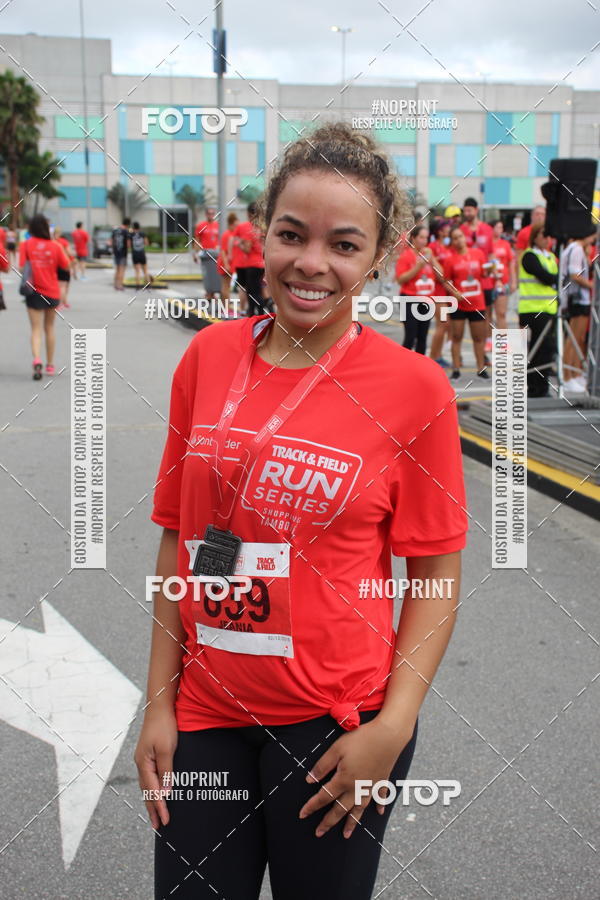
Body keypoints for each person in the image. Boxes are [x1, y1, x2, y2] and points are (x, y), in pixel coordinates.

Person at [135, 122, 468, 900]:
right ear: (263, 236)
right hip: (208, 712)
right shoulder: (208, 358)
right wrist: (158, 702)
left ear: (378, 258)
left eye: (344, 245)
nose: (310, 263)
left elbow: (436, 575)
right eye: (292, 234)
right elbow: (183, 539)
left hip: (334, 730)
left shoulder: (416, 391)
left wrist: (393, 728)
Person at [19, 214, 70, 379]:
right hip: (52, 291)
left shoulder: (26, 245)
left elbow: (21, 268)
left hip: (33, 292)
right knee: (49, 328)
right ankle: (50, 365)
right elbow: (66, 265)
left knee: (35, 329)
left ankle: (36, 359)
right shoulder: (55, 246)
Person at [441, 226, 488, 380]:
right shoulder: (450, 259)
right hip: (459, 304)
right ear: (452, 242)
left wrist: (492, 270)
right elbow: (445, 281)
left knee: (479, 337)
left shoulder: (478, 254)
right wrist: (453, 292)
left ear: (464, 237)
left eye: (460, 236)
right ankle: (456, 368)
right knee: (456, 336)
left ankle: (481, 368)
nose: (459, 240)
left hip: (477, 302)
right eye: (455, 238)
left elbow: (484, 273)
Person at [518, 223, 558, 398]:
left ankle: (542, 387)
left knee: (547, 350)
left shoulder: (550, 256)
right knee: (539, 348)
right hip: (532, 309)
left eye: (548, 235)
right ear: (534, 237)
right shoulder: (529, 256)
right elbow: (546, 277)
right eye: (543, 235)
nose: (547, 238)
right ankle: (534, 387)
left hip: (548, 309)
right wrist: (555, 278)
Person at [559, 227, 596, 393]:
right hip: (577, 297)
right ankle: (568, 375)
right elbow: (575, 275)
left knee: (578, 338)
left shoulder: (577, 249)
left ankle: (574, 372)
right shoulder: (576, 249)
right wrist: (592, 285)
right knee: (573, 338)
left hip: (579, 298)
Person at [395, 224, 440, 355]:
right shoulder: (406, 256)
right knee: (410, 337)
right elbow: (400, 279)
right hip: (409, 299)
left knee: (422, 338)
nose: (424, 241)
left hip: (426, 301)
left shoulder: (428, 254)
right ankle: (402, 367)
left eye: (426, 238)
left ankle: (419, 370)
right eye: (421, 237)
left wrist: (433, 260)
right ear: (413, 238)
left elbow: (441, 274)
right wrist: (418, 267)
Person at [460, 198, 495, 356]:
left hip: (485, 280)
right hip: (465, 282)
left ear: (476, 210)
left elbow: (492, 253)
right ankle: (458, 355)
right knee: (462, 318)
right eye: (465, 210)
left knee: (487, 314)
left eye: (470, 210)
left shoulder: (487, 229)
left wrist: (495, 271)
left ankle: (486, 348)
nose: (467, 213)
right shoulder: (461, 230)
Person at [231, 202, 265, 317]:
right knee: (258, 290)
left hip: (252, 264)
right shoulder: (261, 226)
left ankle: (254, 313)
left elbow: (247, 249)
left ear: (249, 214)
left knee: (252, 292)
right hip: (261, 263)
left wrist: (239, 244)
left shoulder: (248, 227)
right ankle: (256, 313)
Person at [428, 219, 454, 367]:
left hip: (445, 290)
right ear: (439, 231)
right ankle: (433, 356)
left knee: (445, 324)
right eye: (446, 227)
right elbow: (439, 272)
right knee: (443, 323)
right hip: (437, 290)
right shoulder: (433, 247)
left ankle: (438, 355)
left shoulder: (446, 247)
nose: (448, 229)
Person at [491, 219, 517, 331]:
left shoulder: (505, 244)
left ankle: (502, 341)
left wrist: (514, 281)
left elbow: (511, 263)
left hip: (503, 283)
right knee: (487, 315)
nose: (499, 230)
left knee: (501, 313)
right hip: (489, 283)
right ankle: (488, 339)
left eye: (501, 227)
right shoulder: (487, 244)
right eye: (497, 227)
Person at [194, 206, 220, 301]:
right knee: (207, 274)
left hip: (216, 254)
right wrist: (195, 253)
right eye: (209, 213)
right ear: (206, 214)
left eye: (213, 213)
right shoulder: (201, 226)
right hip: (205, 254)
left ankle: (213, 292)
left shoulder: (218, 225)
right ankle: (209, 292)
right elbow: (197, 240)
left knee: (215, 274)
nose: (211, 215)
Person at [217, 211, 238, 305]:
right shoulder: (227, 235)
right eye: (235, 225)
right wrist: (226, 264)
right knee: (226, 285)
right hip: (225, 263)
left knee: (226, 285)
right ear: (231, 224)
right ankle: (226, 306)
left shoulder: (231, 234)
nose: (237, 227)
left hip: (228, 263)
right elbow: (223, 252)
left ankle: (224, 305)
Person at [53, 227, 74, 308]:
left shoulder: (52, 242)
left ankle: (63, 301)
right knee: (64, 285)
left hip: (55, 265)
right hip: (64, 264)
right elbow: (70, 253)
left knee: (58, 285)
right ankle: (61, 303)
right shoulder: (64, 242)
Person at [112, 217, 130, 290]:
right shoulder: (125, 231)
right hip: (123, 253)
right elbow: (128, 244)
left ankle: (115, 284)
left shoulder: (115, 230)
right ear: (128, 224)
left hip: (116, 252)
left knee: (117, 269)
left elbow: (112, 241)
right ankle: (120, 285)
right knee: (122, 270)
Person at [131, 221, 150, 288]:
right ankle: (147, 284)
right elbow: (147, 243)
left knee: (137, 271)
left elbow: (128, 244)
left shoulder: (131, 234)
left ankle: (138, 285)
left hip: (135, 254)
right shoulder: (142, 234)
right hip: (142, 253)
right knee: (145, 270)